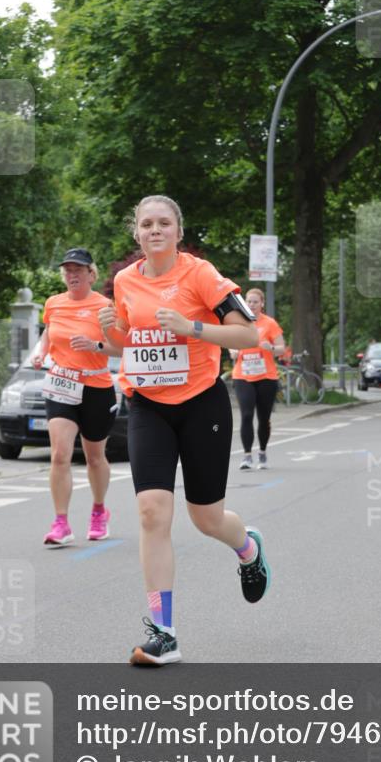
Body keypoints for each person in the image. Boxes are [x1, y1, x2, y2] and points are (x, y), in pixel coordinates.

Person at [98, 195, 270, 665]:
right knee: (152, 512)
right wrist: (110, 332)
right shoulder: (124, 281)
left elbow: (248, 336)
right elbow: (127, 346)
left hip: (201, 403)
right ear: (136, 233)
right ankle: (163, 630)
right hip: (147, 404)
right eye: (147, 224)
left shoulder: (201, 274)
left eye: (164, 223)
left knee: (206, 518)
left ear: (177, 231)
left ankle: (248, 548)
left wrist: (194, 327)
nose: (155, 231)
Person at [33, 248, 119, 547]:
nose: (73, 275)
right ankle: (61, 523)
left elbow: (118, 347)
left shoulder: (105, 305)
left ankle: (99, 511)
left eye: (78, 270)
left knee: (95, 457)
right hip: (61, 385)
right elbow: (48, 332)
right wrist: (40, 352)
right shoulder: (54, 303)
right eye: (68, 270)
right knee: (59, 455)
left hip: (96, 388)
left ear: (91, 274)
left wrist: (95, 345)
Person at [229, 288, 285, 470]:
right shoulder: (239, 322)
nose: (252, 305)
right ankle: (246, 456)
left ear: (262, 304)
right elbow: (229, 343)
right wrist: (233, 351)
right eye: (249, 301)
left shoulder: (270, 323)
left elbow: (281, 348)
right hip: (242, 376)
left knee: (264, 417)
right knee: (246, 415)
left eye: (255, 302)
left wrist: (271, 348)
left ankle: (262, 451)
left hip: (266, 376)